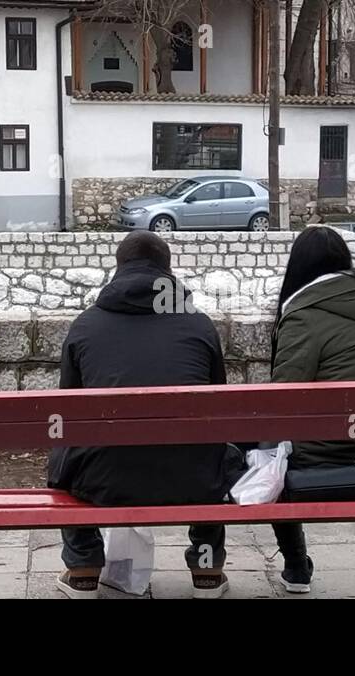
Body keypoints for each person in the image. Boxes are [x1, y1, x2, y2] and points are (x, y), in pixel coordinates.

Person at [47, 230, 244, 599]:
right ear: (167, 273)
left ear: (118, 270)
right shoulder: (199, 325)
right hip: (194, 477)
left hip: (105, 477)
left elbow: (66, 412)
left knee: (63, 455)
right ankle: (207, 570)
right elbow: (220, 406)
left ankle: (84, 567)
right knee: (215, 449)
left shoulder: (85, 326)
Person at [268, 225, 355, 593]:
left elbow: (281, 399)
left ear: (298, 267)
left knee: (259, 456)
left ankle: (296, 567)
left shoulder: (303, 315)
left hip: (327, 454)